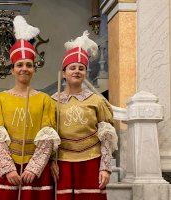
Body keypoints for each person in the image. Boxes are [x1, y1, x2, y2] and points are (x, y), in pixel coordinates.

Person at [0, 15, 60, 200]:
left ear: (34, 68)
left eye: (28, 65)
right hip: (8, 172)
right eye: (19, 65)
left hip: (35, 172)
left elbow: (47, 139)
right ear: (12, 69)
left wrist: (34, 168)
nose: (24, 68)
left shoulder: (45, 100)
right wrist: (8, 169)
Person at [51, 31, 118, 200]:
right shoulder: (52, 101)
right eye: (72, 68)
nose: (77, 71)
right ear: (64, 72)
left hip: (91, 161)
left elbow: (107, 137)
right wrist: (51, 161)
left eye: (81, 68)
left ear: (86, 73)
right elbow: (49, 136)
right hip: (63, 162)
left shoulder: (97, 101)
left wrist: (105, 167)